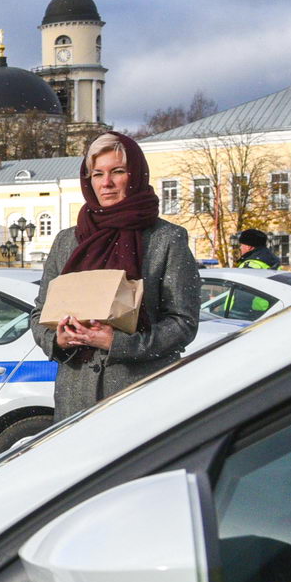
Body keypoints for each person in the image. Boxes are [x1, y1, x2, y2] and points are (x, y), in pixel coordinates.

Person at [32, 131, 200, 421]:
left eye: (117, 172)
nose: (106, 183)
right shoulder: (67, 241)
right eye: (97, 174)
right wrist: (57, 339)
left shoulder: (166, 239)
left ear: (135, 175)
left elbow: (183, 323)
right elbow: (38, 315)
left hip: (141, 399)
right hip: (76, 400)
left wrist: (118, 343)